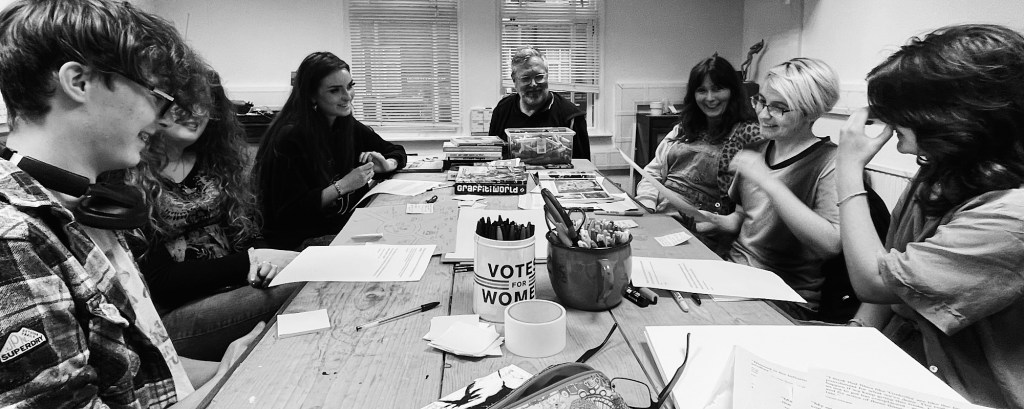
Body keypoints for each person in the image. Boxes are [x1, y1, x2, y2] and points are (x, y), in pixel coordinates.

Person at [0, 0, 258, 407]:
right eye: (157, 94)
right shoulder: (14, 239)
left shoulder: (85, 203)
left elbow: (137, 374)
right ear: (79, 82)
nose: (160, 117)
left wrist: (230, 367)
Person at [838, 24, 1024, 408]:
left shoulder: (1012, 217)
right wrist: (852, 339)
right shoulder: (938, 172)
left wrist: (848, 167)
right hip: (905, 371)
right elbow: (896, 268)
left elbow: (876, 281)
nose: (885, 122)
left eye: (898, 112)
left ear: (948, 117)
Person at [121, 69, 300, 361]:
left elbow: (249, 234)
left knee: (304, 274)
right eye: (181, 100)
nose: (195, 111)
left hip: (237, 289)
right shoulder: (131, 171)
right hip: (173, 317)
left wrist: (265, 260)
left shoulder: (216, 163)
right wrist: (250, 261)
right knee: (298, 285)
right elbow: (160, 280)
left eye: (205, 101)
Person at [696, 58, 842, 320]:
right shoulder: (756, 151)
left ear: (811, 112)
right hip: (735, 274)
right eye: (761, 101)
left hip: (786, 296)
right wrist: (713, 221)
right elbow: (744, 217)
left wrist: (768, 182)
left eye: (779, 108)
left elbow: (830, 245)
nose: (763, 114)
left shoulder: (831, 162)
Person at [254, 51, 408, 250]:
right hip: (302, 240)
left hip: (343, 225)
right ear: (311, 95)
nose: (347, 97)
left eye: (350, 86)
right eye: (335, 90)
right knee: (395, 245)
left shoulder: (344, 123)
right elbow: (290, 212)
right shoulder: (290, 136)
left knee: (406, 230)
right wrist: (344, 185)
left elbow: (395, 150)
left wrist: (388, 164)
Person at [634, 55, 760, 253]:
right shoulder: (683, 128)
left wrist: (699, 224)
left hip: (702, 232)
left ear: (733, 92)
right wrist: (647, 205)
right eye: (702, 90)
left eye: (718, 89)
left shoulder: (747, 135)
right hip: (659, 218)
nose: (710, 98)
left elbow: (744, 212)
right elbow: (653, 174)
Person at [488, 46, 591, 160]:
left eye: (539, 77)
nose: (533, 84)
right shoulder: (502, 110)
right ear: (514, 80)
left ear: (547, 76)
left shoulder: (571, 116)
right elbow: (491, 159)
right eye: (525, 78)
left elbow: (584, 168)